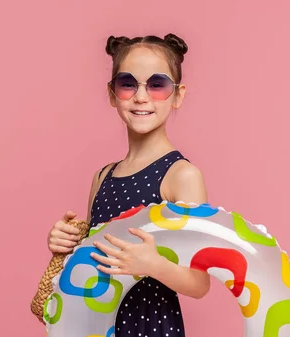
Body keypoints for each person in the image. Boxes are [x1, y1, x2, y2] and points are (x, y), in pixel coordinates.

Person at [46, 34, 210, 337]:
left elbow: (199, 284)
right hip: (98, 325)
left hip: (151, 325)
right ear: (112, 93)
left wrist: (153, 264)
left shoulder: (180, 175)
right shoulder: (102, 177)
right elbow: (92, 257)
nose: (141, 96)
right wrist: (65, 243)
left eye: (157, 84)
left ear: (178, 95)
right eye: (128, 83)